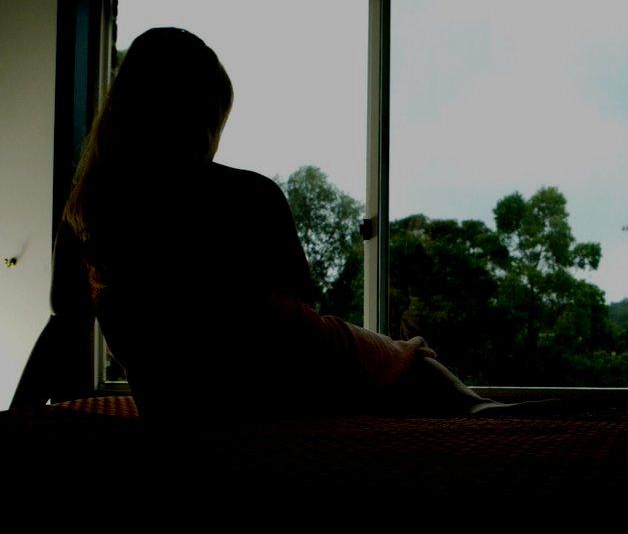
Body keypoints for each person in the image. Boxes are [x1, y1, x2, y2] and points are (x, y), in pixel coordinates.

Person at [12, 27, 509, 423]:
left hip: (196, 401)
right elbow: (301, 328)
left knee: (427, 382)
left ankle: (481, 407)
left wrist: (17, 414)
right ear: (201, 120)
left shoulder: (87, 214)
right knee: (414, 370)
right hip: (313, 373)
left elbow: (63, 325)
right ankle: (480, 407)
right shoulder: (250, 193)